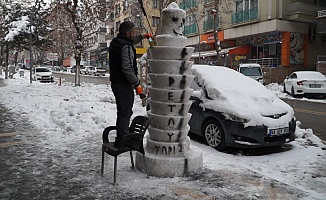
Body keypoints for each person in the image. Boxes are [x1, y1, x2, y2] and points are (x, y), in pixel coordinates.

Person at [108, 21, 152, 147]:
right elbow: (127, 68)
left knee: (121, 112)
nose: (134, 35)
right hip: (123, 84)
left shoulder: (115, 42)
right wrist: (137, 84)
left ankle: (120, 137)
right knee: (126, 112)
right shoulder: (126, 47)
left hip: (115, 83)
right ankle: (123, 140)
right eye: (133, 33)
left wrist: (144, 36)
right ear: (127, 33)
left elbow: (130, 41)